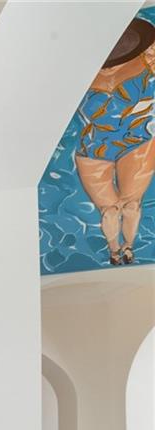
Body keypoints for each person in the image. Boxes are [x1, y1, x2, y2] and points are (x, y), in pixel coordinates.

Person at [74, 15, 155, 266]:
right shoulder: (77, 76)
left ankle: (129, 247)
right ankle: (113, 250)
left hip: (138, 139)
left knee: (131, 206)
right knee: (109, 211)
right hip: (94, 147)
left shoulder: (148, 60)